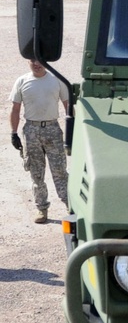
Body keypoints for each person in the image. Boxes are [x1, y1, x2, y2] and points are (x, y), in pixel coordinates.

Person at [9, 59, 70, 224]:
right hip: (31, 131)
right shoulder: (22, 81)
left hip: (52, 129)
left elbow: (68, 106)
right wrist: (14, 133)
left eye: (40, 60)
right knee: (36, 174)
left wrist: (72, 132)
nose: (36, 63)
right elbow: (15, 109)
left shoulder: (57, 80)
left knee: (60, 172)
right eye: (32, 60)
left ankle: (71, 207)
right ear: (28, 62)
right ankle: (42, 209)